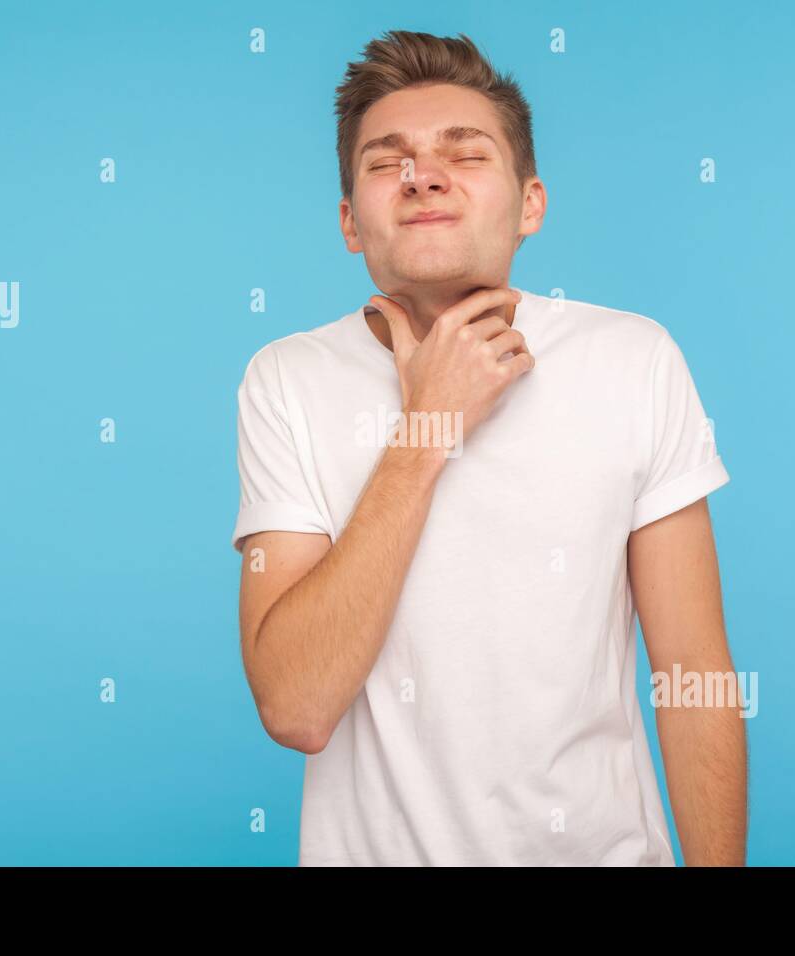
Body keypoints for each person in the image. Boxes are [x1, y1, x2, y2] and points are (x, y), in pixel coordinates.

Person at [231, 29, 744, 866]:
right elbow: (296, 706)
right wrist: (426, 429)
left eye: (463, 154)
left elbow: (693, 675)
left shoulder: (633, 358)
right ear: (350, 222)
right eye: (385, 160)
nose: (422, 175)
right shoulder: (286, 379)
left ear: (530, 203)